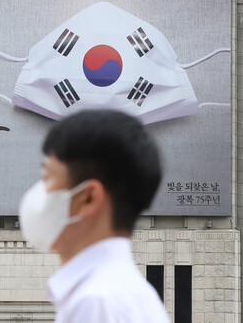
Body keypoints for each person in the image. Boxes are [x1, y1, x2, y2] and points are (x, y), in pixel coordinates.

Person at [18, 110, 170, 323]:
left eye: (47, 178)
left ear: (88, 198)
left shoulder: (95, 302)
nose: (39, 191)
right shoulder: (129, 294)